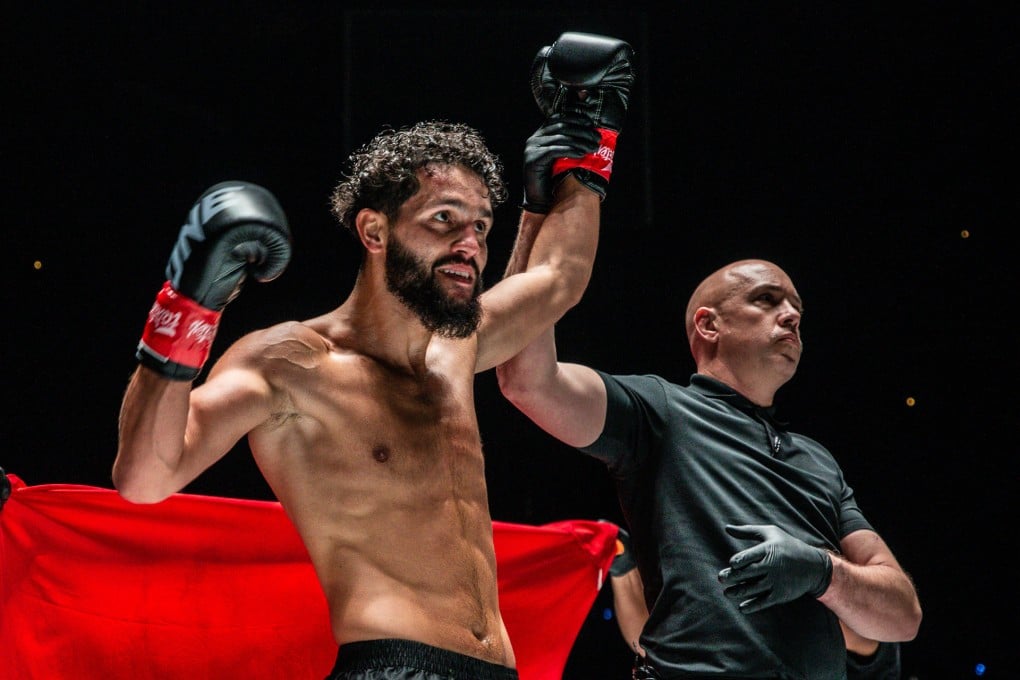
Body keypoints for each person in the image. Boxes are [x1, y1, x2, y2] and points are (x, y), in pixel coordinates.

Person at [112, 32, 634, 680]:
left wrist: (585, 154)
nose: (470, 243)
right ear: (374, 230)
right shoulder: (290, 364)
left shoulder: (454, 346)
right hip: (391, 668)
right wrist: (186, 306)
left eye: (479, 226)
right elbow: (144, 479)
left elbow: (560, 277)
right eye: (445, 219)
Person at [496, 259, 922, 678]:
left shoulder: (818, 461)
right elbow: (529, 381)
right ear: (708, 325)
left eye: (796, 308)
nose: (792, 315)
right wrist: (542, 228)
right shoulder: (661, 413)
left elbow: (904, 617)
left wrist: (822, 570)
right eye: (767, 299)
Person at [607, 523, 903, 679]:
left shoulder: (849, 623)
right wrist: (622, 568)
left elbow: (865, 636)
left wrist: (814, 571)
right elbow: (653, 642)